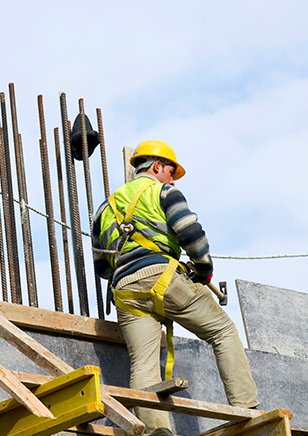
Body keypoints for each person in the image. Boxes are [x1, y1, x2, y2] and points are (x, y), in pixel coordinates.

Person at [91, 140, 258, 435]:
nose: (172, 178)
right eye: (170, 171)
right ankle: (247, 407)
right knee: (223, 332)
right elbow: (191, 233)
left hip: (126, 292)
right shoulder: (164, 191)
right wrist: (204, 269)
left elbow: (102, 267)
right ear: (156, 167)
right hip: (163, 277)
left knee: (143, 363)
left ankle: (156, 431)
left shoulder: (104, 208)